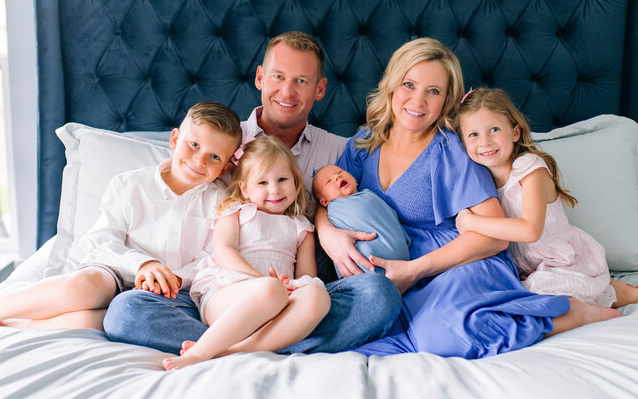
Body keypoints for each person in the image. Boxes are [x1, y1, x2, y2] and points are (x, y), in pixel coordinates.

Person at [317, 37, 623, 360]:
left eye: (433, 91)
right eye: (409, 85)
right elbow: (324, 199)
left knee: (443, 339)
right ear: (392, 85)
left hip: (455, 264)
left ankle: (566, 313)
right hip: (394, 271)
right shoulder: (362, 144)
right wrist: (328, 235)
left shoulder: (452, 150)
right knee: (362, 333)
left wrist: (416, 269)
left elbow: (494, 237)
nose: (418, 100)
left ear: (447, 99)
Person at [104, 31, 402, 355]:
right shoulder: (221, 141)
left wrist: (324, 225)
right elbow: (181, 187)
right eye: (278, 76)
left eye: (301, 81)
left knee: (380, 294)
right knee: (127, 312)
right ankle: (275, 341)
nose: (287, 91)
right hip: (222, 291)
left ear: (320, 89)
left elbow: (359, 200)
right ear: (260, 77)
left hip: (292, 294)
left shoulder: (337, 150)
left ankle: (232, 346)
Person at [0, 102, 243, 343]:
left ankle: (8, 328)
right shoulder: (131, 185)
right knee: (82, 289)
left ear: (226, 166)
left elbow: (213, 256)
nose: (199, 161)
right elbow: (102, 239)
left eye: (214, 157)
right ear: (175, 139)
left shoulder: (221, 201)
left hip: (166, 291)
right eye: (194, 145)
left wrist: (172, 278)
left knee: (95, 322)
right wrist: (143, 264)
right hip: (115, 271)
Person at [455, 87, 638, 308]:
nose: (485, 142)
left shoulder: (529, 168)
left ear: (515, 132)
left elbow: (530, 230)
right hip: (530, 267)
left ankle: (615, 293)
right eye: (474, 135)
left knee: (534, 293)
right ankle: (609, 293)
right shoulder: (480, 181)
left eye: (494, 129)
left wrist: (470, 222)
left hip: (565, 261)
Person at [164, 137, 330, 370]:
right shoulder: (235, 211)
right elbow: (224, 251)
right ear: (244, 188)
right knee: (271, 289)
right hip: (228, 293)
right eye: (262, 182)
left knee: (317, 295)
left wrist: (293, 286)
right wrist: (260, 280)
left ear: (295, 181)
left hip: (278, 305)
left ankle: (231, 350)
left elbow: (307, 276)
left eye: (282, 179)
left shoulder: (301, 226)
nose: (274, 189)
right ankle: (200, 353)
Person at [312, 164, 410, 275]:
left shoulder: (368, 194)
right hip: (367, 268)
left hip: (402, 257)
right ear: (324, 202)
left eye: (339, 172)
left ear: (355, 181)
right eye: (328, 181)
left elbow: (390, 215)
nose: (337, 177)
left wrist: (404, 238)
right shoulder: (333, 209)